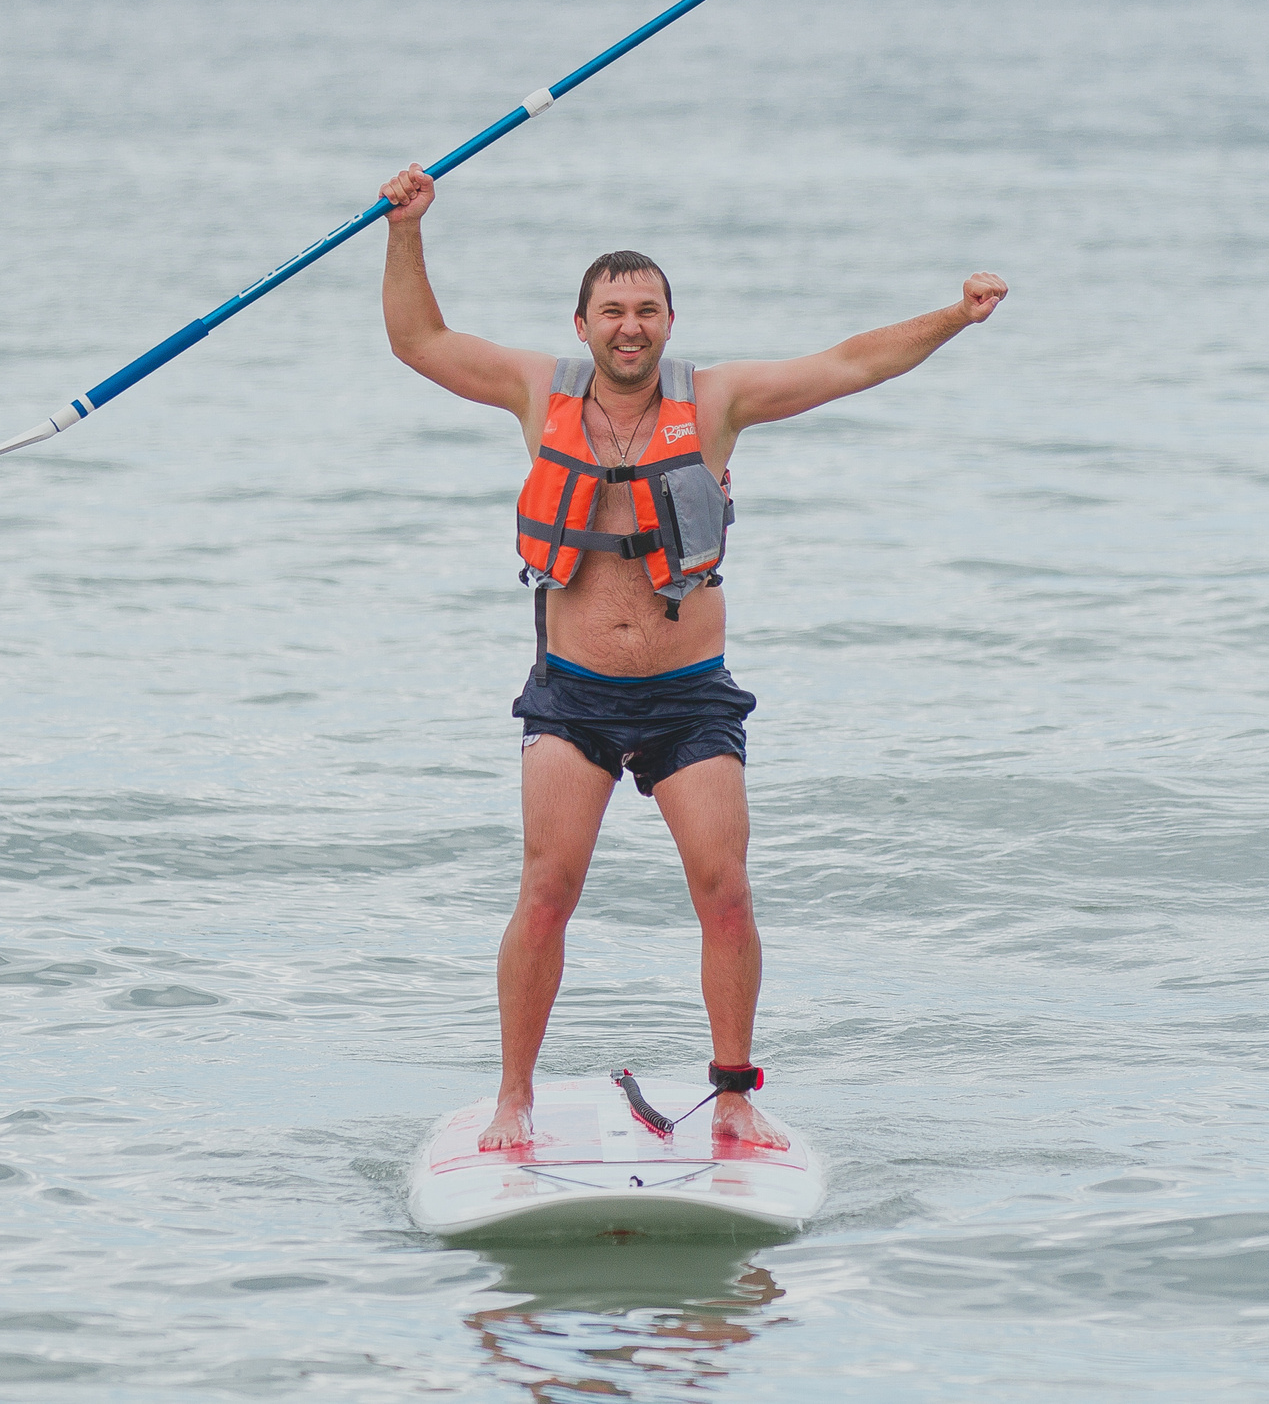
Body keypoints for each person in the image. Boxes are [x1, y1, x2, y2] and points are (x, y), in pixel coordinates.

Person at [378, 163, 1007, 1150]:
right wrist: (407, 229)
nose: (631, 326)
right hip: (572, 694)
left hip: (688, 698)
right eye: (612, 310)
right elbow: (417, 340)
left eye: (648, 310)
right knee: (546, 895)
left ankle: (734, 1096)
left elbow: (852, 363)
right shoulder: (536, 392)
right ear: (581, 324)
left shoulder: (717, 402)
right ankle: (513, 1099)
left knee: (725, 892)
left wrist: (952, 316)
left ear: (670, 320)